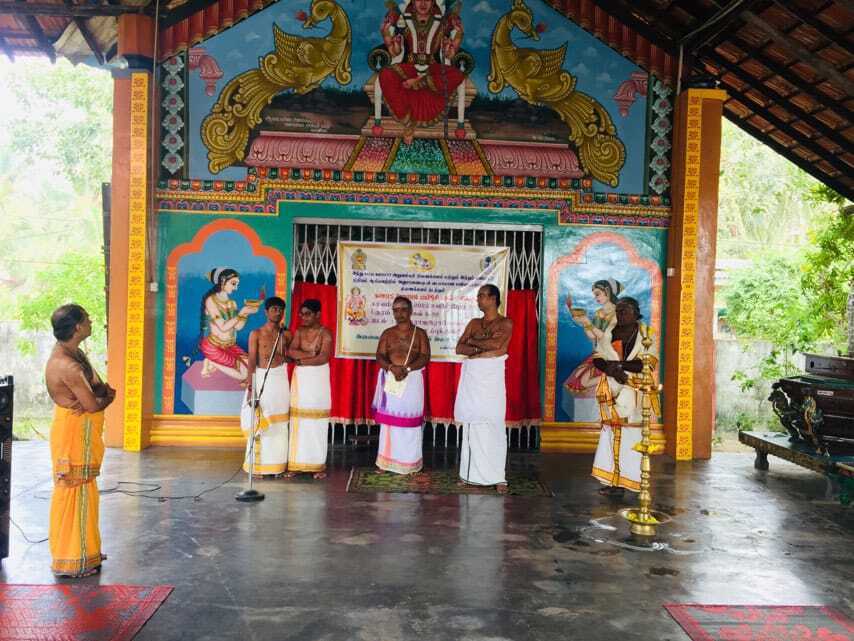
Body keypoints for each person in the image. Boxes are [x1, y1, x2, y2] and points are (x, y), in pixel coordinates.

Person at [44, 304, 115, 577]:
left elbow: (98, 388)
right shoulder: (68, 365)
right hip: (73, 432)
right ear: (77, 327)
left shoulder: (75, 354)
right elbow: (94, 403)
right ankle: (71, 560)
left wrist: (102, 394)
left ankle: (87, 550)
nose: (91, 321)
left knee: (86, 491)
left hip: (82, 429)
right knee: (73, 491)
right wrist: (108, 397)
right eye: (87, 319)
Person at [378, 0, 465, 144]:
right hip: (409, 69)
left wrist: (458, 35)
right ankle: (409, 122)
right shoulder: (403, 20)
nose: (423, 3)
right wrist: (386, 34)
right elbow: (394, 52)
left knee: (457, 75)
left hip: (432, 70)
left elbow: (449, 55)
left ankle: (421, 81)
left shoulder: (443, 22)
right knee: (385, 74)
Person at [453, 284, 513, 494]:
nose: (478, 300)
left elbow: (498, 346)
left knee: (493, 423)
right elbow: (459, 347)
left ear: (493, 298)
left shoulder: (505, 322)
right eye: (478, 296)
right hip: (473, 377)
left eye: (481, 296)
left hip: (491, 379)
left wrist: (474, 342)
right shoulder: (474, 323)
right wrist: (480, 345)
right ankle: (469, 475)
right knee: (472, 423)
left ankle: (497, 476)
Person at [590, 297, 647, 497]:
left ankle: (632, 481)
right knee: (610, 436)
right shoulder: (609, 332)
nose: (621, 314)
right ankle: (612, 482)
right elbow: (597, 358)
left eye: (626, 310)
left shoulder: (646, 334)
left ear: (636, 313)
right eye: (619, 310)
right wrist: (611, 370)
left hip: (633, 393)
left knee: (631, 437)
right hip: (611, 390)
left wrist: (620, 366)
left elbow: (646, 364)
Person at [372, 296, 431, 474]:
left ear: (411, 311)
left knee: (410, 422)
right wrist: (392, 368)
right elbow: (380, 355)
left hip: (411, 380)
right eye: (396, 310)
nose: (399, 313)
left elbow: (425, 356)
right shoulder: (387, 333)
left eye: (403, 309)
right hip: (392, 379)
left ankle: (411, 463)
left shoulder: (420, 334)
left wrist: (407, 369)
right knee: (389, 424)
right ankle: (385, 462)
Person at [240, 297, 292, 478]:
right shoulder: (256, 334)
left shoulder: (286, 335)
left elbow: (292, 357)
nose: (278, 312)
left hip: (280, 381)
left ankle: (277, 466)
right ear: (266, 312)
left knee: (279, 424)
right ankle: (258, 468)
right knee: (260, 422)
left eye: (281, 310)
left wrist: (285, 356)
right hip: (262, 380)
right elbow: (252, 361)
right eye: (274, 309)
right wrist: (251, 388)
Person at [286, 299, 333, 479]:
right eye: (301, 314)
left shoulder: (326, 333)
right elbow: (291, 351)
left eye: (307, 314)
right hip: (302, 379)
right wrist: (310, 354)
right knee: (298, 419)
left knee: (316, 421)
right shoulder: (299, 331)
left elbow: (323, 358)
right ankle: (296, 464)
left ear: (318, 314)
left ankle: (317, 465)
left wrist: (301, 360)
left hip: (318, 379)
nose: (303, 317)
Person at [198, 267, 260, 380]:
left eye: (237, 284)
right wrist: (242, 312)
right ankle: (211, 361)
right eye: (233, 283)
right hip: (214, 347)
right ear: (222, 281)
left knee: (253, 367)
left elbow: (238, 327)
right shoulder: (211, 301)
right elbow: (223, 327)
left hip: (230, 346)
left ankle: (212, 363)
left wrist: (246, 314)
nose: (236, 288)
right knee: (244, 375)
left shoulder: (232, 303)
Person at [563, 279, 622, 398]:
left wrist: (588, 322)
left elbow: (606, 337)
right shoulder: (599, 313)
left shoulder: (618, 313)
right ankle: (611, 377)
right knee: (579, 377)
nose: (596, 298)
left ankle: (614, 377)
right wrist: (584, 323)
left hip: (613, 353)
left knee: (584, 381)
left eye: (598, 294)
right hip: (599, 352)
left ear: (607, 292)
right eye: (595, 295)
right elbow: (593, 336)